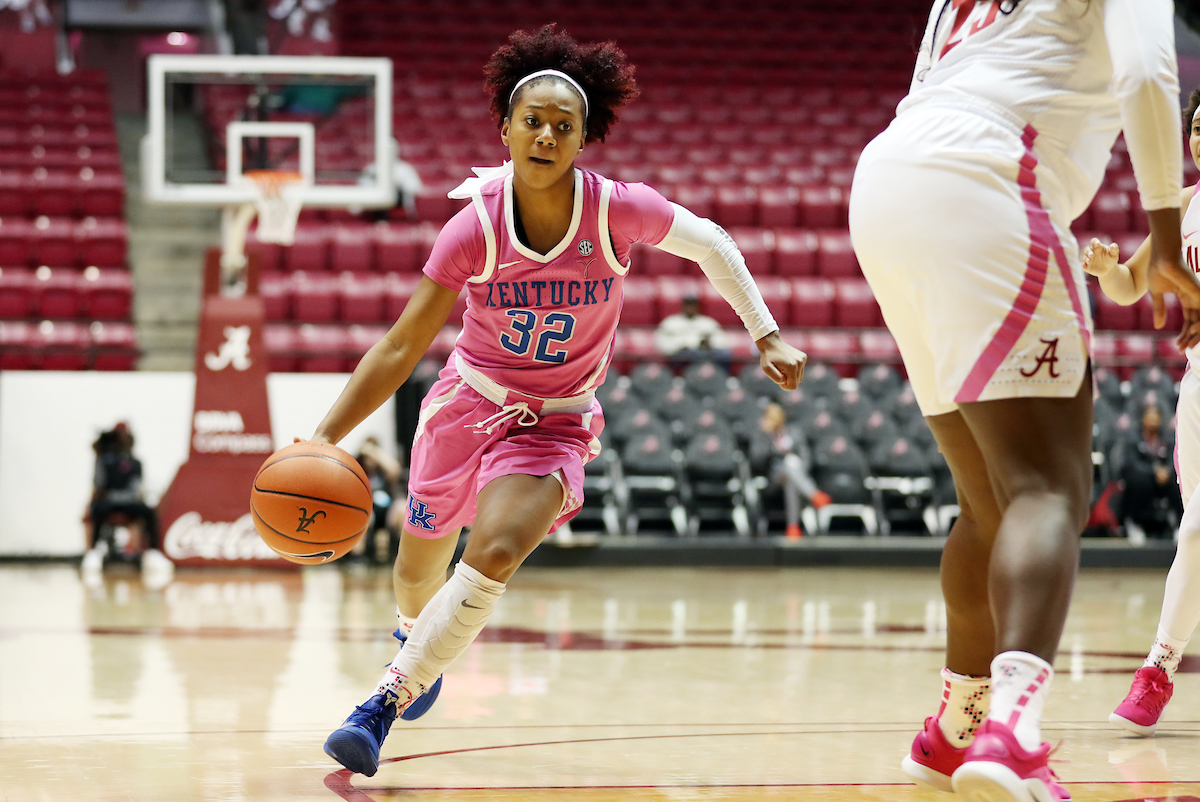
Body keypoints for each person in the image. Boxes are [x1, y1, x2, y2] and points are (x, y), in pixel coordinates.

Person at [310, 24, 806, 777]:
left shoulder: (617, 211)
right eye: (532, 121)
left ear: (584, 139)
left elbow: (712, 243)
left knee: (497, 550)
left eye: (562, 126)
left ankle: (380, 704)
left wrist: (765, 332)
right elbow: (399, 348)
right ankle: (416, 639)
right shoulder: (471, 226)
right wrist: (323, 439)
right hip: (465, 404)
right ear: (505, 131)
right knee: (416, 575)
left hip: (555, 421)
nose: (545, 134)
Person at [848, 1, 1200, 800]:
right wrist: (1166, 229)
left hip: (889, 179)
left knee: (989, 500)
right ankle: (1012, 735)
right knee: (1049, 486)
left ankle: (955, 727)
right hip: (992, 168)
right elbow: (1149, 70)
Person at [1081, 83, 1200, 736]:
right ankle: (1158, 669)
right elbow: (1132, 286)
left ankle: (1157, 669)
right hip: (1199, 387)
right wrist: (1106, 271)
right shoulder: (1182, 206)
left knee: (1196, 533)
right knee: (1199, 534)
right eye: (1197, 123)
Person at [82, 422, 172, 578]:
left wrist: (123, 497)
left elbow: (135, 489)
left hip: (128, 503)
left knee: (149, 511)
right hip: (108, 503)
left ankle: (152, 552)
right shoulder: (104, 461)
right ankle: (94, 551)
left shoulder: (136, 463)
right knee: (97, 508)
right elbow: (99, 485)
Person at [752, 402, 830, 539]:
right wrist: (772, 447)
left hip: (795, 476)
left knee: (791, 478)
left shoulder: (794, 432)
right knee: (787, 468)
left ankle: (793, 528)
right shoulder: (763, 434)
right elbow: (757, 461)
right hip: (773, 479)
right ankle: (814, 495)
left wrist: (797, 464)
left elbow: (806, 457)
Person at [1112, 404, 1181, 539]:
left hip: (1162, 480)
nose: (1152, 420)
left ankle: (1178, 523)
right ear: (1143, 419)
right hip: (1143, 479)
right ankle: (1134, 523)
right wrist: (1153, 472)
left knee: (1176, 481)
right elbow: (1130, 463)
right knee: (1140, 482)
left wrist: (1166, 471)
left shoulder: (1167, 438)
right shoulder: (1133, 438)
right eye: (1149, 416)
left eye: (1156, 417)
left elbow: (1175, 458)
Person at [352, 436, 406, 563]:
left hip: (387, 510)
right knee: (362, 515)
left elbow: (395, 470)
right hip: (368, 509)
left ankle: (404, 557)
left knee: (402, 510)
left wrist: (374, 452)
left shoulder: (384, 468)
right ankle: (357, 559)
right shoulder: (357, 469)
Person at [654, 293, 731, 369]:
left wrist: (710, 343)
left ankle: (718, 377)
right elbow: (662, 344)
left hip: (706, 353)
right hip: (681, 356)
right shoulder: (671, 323)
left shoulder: (708, 322)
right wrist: (681, 346)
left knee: (724, 354)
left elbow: (721, 341)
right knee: (691, 355)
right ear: (683, 306)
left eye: (693, 305)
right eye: (688, 304)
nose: (690, 307)